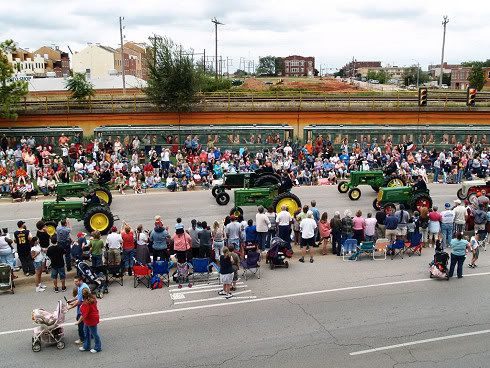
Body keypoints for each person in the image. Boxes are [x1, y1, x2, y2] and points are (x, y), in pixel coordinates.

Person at [68, 276, 90, 345]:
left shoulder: (83, 288)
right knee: (86, 322)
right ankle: (90, 335)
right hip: (82, 307)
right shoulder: (80, 286)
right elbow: (78, 296)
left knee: (80, 323)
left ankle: (82, 339)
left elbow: (79, 301)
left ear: (81, 281)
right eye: (74, 281)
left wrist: (70, 307)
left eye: (76, 281)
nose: (75, 283)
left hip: (82, 308)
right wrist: (71, 300)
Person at [78, 288, 102, 353]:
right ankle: (86, 346)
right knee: (87, 332)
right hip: (92, 318)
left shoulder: (86, 303)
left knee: (94, 334)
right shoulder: (92, 298)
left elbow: (83, 315)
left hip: (90, 320)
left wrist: (78, 321)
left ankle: (97, 347)